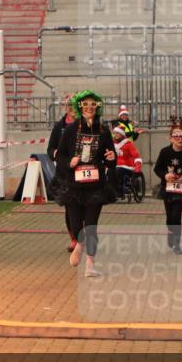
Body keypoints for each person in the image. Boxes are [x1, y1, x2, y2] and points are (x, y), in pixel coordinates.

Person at [54, 90, 116, 277]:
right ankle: (79, 243)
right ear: (79, 107)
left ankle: (90, 264)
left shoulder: (104, 131)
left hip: (95, 187)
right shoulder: (71, 130)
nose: (89, 108)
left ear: (98, 107)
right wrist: (69, 163)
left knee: (91, 226)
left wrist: (112, 158)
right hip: (74, 186)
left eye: (93, 105)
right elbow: (61, 156)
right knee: (76, 226)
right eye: (85, 105)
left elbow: (111, 159)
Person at [153, 117, 182, 255]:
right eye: (176, 136)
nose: (179, 139)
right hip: (167, 188)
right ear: (171, 138)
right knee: (169, 217)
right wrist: (165, 175)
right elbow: (157, 168)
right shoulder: (165, 152)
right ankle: (170, 232)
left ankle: (177, 244)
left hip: (181, 188)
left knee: (177, 216)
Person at [47, 94, 77, 251]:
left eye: (75, 105)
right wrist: (57, 154)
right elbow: (50, 149)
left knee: (86, 207)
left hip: (84, 173)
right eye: (69, 105)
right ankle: (74, 238)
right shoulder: (59, 127)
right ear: (66, 107)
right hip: (65, 173)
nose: (72, 108)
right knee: (69, 207)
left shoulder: (86, 125)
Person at [111, 124, 143, 196]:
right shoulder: (111, 143)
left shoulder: (128, 143)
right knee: (109, 172)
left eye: (117, 133)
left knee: (118, 170)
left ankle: (119, 191)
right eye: (114, 133)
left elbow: (136, 156)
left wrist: (137, 166)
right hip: (114, 165)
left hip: (127, 166)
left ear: (122, 134)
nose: (116, 135)